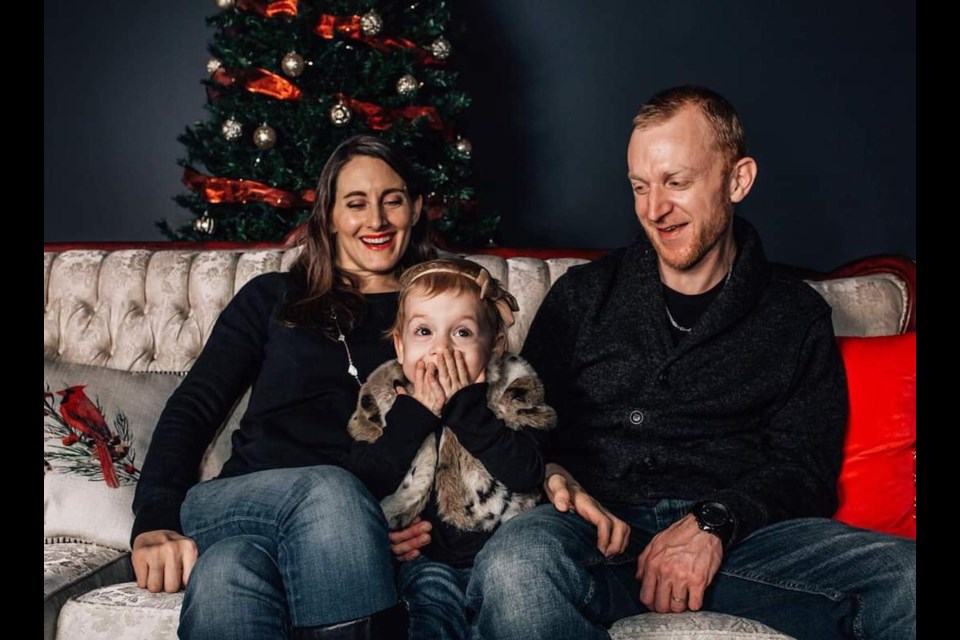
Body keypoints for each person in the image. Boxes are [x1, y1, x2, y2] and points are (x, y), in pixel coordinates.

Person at [392, 86, 916, 639]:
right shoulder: (583, 296)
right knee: (516, 566)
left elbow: (805, 469)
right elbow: (521, 413)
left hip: (740, 542)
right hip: (593, 531)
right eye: (640, 187)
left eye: (677, 183)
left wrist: (714, 522)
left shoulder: (795, 314)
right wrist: (550, 469)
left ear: (738, 180)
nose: (654, 210)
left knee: (908, 576)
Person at [130, 134, 435, 639]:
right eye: (356, 203)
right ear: (329, 216)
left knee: (226, 575)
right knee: (330, 490)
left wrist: (372, 530)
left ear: (417, 208)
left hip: (340, 524)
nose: (376, 221)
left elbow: (467, 433)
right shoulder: (273, 298)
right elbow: (194, 408)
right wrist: (154, 519)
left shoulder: (439, 315)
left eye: (393, 201)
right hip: (238, 502)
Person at [347, 258, 556, 639]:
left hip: (502, 556)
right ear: (399, 344)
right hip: (424, 562)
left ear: (494, 346)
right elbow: (363, 482)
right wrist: (414, 416)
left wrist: (468, 410)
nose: (441, 349)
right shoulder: (383, 398)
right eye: (423, 331)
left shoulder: (512, 392)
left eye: (461, 333)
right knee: (430, 613)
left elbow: (527, 473)